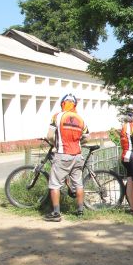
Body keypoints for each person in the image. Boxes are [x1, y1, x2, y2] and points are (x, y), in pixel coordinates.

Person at [45, 93, 89, 222]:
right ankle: (80, 210)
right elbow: (87, 137)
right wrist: (78, 143)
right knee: (78, 184)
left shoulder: (57, 116)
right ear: (74, 104)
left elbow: (49, 136)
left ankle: (56, 213)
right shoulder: (81, 119)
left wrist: (56, 144)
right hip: (77, 155)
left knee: (55, 184)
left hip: (62, 155)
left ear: (63, 103)